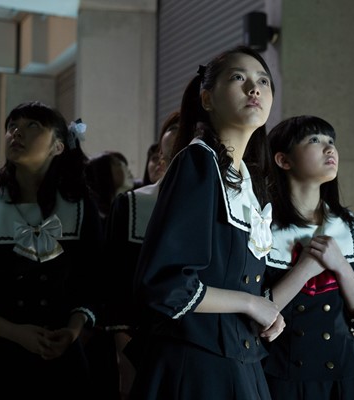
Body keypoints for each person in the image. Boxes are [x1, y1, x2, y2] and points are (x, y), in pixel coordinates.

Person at [129, 45, 285, 400]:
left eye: (263, 81)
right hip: (196, 366)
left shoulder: (249, 180)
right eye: (238, 78)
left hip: (241, 362)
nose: (254, 88)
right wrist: (250, 304)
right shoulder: (198, 163)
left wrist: (264, 309)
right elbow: (165, 285)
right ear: (207, 99)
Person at [0, 101, 104, 399]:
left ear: (58, 146)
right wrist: (15, 332)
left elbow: (95, 280)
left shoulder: (81, 210)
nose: (16, 132)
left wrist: (72, 330)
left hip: (62, 363)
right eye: (12, 126)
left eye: (32, 126)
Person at [261, 115, 354, 399]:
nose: (329, 148)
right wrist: (304, 269)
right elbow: (248, 313)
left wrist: (342, 267)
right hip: (281, 381)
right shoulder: (261, 228)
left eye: (331, 141)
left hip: (347, 380)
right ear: (283, 160)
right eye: (315, 140)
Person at [104, 110, 180, 399]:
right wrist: (124, 353)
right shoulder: (133, 205)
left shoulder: (230, 204)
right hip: (142, 342)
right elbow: (117, 285)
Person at [85, 150, 135, 224]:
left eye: (125, 165)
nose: (128, 170)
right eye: (118, 164)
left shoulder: (130, 211)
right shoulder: (93, 216)